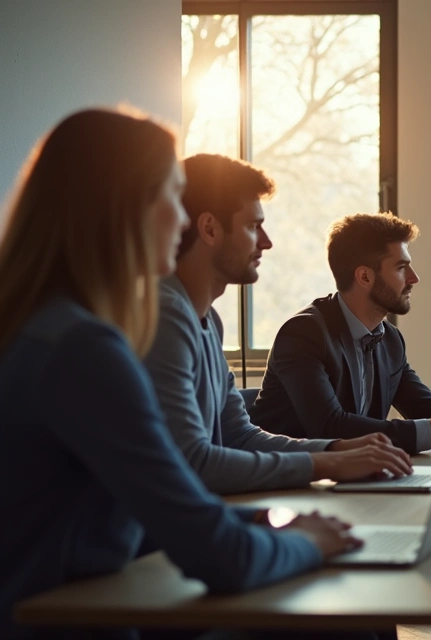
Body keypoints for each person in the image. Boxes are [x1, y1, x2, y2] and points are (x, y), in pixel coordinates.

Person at [0, 109, 361, 640]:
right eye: (172, 197)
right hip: (73, 624)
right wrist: (307, 542)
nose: (183, 219)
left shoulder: (38, 326)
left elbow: (152, 504)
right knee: (336, 621)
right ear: (125, 207)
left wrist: (269, 520)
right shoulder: (83, 350)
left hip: (81, 604)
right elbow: (218, 554)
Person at [143, 154, 413, 496]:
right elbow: (193, 463)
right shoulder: (163, 318)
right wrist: (327, 464)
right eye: (253, 226)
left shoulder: (208, 321)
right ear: (210, 228)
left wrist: (337, 451)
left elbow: (240, 436)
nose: (266, 242)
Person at [250, 212, 431, 453]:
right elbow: (328, 426)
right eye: (401, 267)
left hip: (351, 480)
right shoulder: (303, 333)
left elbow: (421, 405)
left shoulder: (388, 338)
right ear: (364, 276)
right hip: (289, 485)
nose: (414, 279)